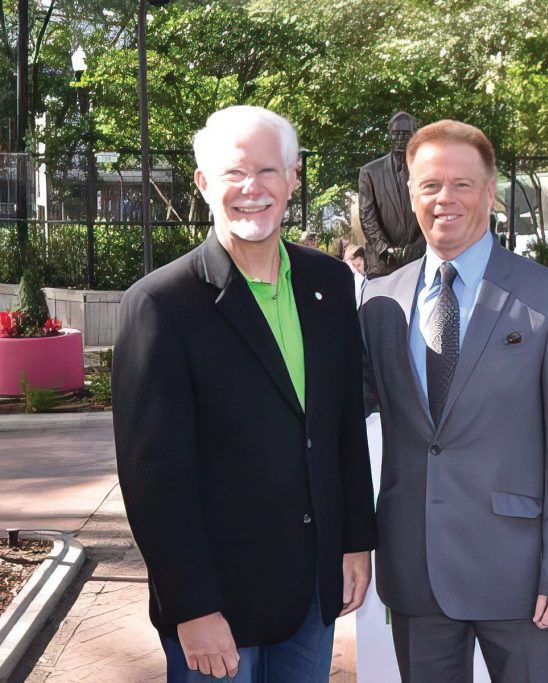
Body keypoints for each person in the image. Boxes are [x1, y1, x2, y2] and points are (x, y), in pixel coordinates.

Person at [112, 105, 375, 682]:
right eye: (233, 174)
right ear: (204, 184)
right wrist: (193, 606)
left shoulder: (330, 284)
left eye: (268, 172)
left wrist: (355, 541)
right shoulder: (161, 304)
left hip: (311, 595)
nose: (251, 190)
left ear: (294, 178)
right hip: (217, 604)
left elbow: (343, 427)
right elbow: (153, 477)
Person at [360, 119, 548, 682]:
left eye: (462, 184)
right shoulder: (379, 301)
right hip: (416, 573)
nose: (445, 198)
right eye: (430, 185)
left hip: (522, 580)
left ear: (490, 193)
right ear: (412, 195)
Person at [358, 111, 425, 277]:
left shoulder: (427, 171)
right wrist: (384, 248)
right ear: (389, 136)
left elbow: (433, 212)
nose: (400, 138)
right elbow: (367, 217)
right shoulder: (370, 172)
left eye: (405, 133)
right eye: (396, 133)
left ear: (414, 135)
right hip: (382, 265)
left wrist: (418, 247)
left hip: (418, 261)